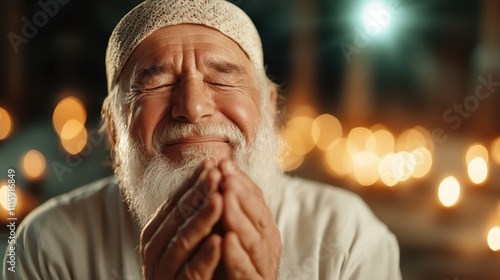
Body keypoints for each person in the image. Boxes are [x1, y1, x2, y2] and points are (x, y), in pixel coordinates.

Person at [3, 0, 402, 279]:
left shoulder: (349, 237)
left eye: (222, 77)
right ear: (112, 126)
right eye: (156, 83)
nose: (193, 107)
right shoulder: (46, 246)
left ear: (268, 106)